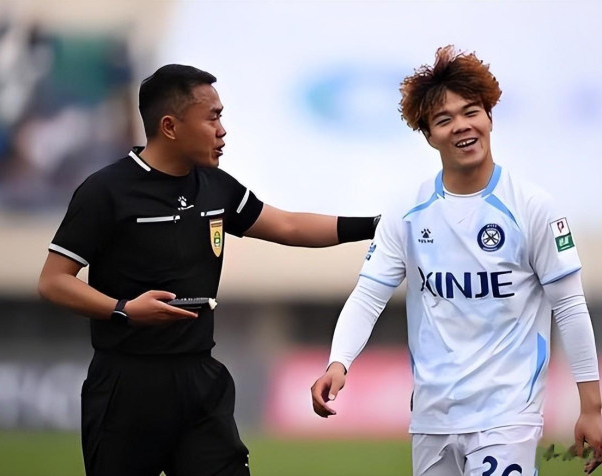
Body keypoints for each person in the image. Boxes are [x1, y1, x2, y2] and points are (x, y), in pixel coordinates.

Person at [37, 64, 378, 476]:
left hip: (199, 379)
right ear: (170, 126)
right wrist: (124, 309)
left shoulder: (215, 186)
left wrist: (378, 226)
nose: (222, 130)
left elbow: (288, 225)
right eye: (212, 117)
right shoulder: (105, 191)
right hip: (126, 384)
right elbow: (53, 281)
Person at [311, 45, 602, 476]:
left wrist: (591, 407)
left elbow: (569, 305)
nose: (461, 126)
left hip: (508, 416)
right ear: (428, 134)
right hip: (431, 419)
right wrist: (338, 361)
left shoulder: (533, 207)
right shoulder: (407, 213)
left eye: (471, 112)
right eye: (444, 119)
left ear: (490, 116)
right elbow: (368, 296)